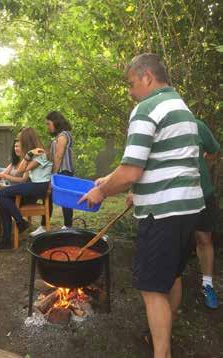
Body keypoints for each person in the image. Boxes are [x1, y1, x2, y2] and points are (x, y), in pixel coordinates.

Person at [80, 53, 204, 358]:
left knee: (151, 288)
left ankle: (161, 352)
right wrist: (108, 179)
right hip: (188, 210)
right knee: (171, 276)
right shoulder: (180, 107)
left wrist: (102, 192)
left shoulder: (146, 108)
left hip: (161, 214)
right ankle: (162, 334)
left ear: (147, 77)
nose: (131, 91)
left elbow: (132, 171)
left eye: (132, 84)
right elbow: (160, 162)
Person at [0, 128, 52, 250]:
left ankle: (20, 222)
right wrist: (29, 155)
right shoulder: (33, 154)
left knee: (1, 194)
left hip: (39, 187)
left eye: (21, 141)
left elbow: (21, 170)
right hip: (35, 186)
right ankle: (6, 240)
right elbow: (20, 169)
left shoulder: (41, 153)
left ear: (27, 141)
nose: (20, 144)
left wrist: (28, 155)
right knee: (3, 203)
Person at [29, 111, 74, 237]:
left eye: (48, 124)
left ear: (56, 122)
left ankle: (68, 226)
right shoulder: (58, 136)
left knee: (65, 199)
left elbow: (59, 157)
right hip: (59, 171)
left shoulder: (64, 135)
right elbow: (53, 156)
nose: (47, 127)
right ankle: (44, 226)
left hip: (63, 172)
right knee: (47, 196)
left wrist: (52, 175)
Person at [194, 118, 220, 309]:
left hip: (203, 193)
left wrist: (201, 163)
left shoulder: (197, 125)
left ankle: (207, 284)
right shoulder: (155, 124)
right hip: (174, 199)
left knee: (204, 238)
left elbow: (213, 151)